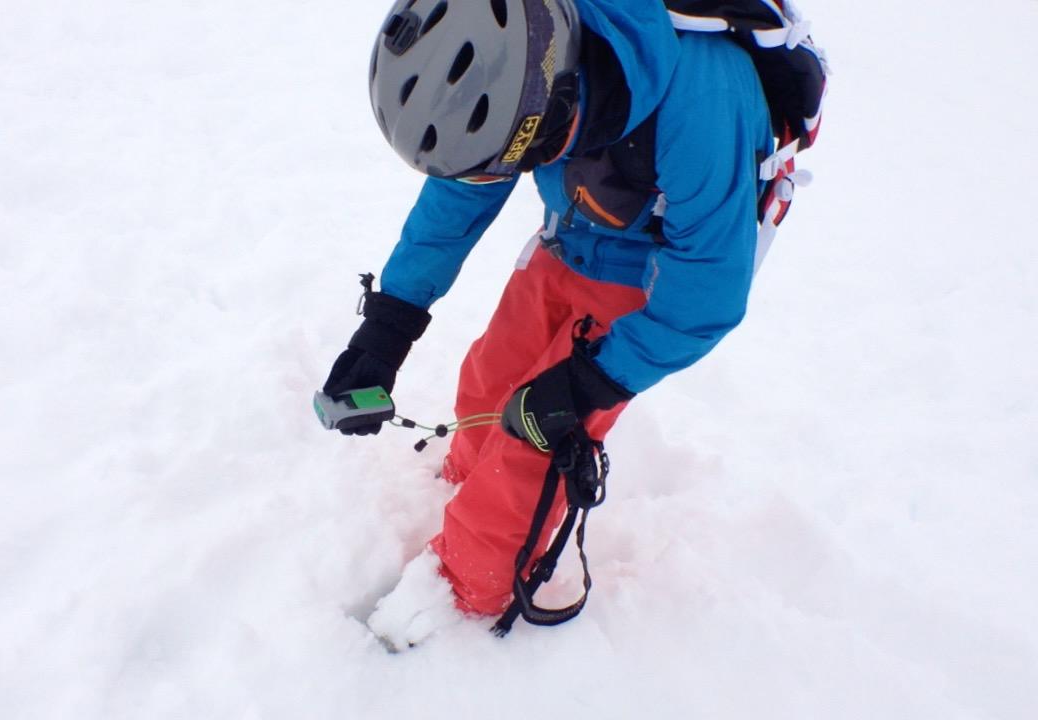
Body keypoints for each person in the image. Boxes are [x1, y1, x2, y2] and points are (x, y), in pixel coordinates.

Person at [323, 0, 774, 648]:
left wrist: (591, 383)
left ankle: (464, 595)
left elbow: (707, 292)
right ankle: (459, 490)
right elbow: (463, 189)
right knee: (491, 379)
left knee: (537, 440)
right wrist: (388, 325)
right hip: (571, 232)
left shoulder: (702, 97)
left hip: (654, 273)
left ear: (560, 100)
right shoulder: (518, 76)